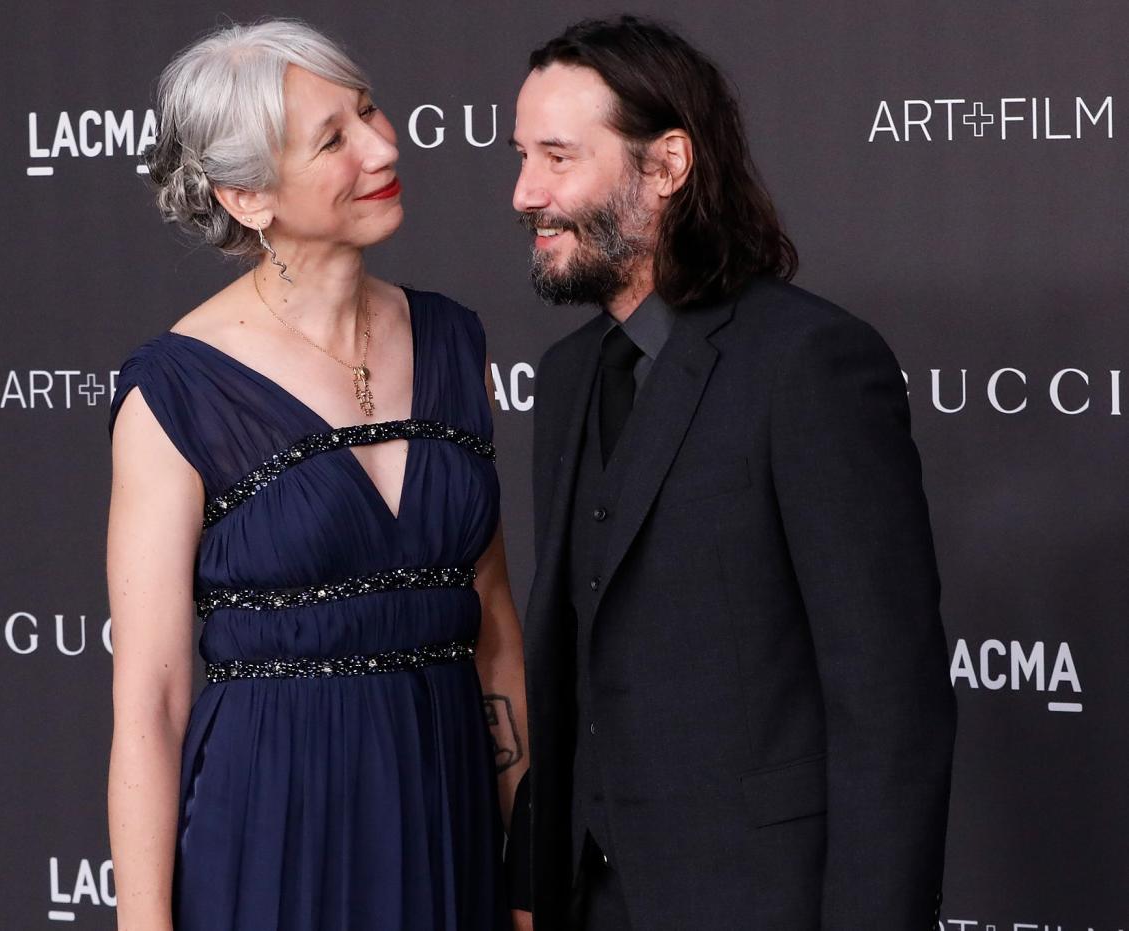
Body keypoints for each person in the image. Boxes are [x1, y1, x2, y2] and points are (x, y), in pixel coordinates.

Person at [507, 16, 956, 931]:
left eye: (557, 158)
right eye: (521, 157)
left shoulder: (811, 364)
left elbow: (888, 702)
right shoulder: (563, 381)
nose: (524, 192)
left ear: (666, 167)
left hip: (761, 898)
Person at [105, 20, 526, 931]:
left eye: (369, 110)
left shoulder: (456, 342)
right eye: (334, 138)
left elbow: (493, 626)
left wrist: (523, 869)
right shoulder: (177, 391)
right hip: (271, 831)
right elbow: (151, 700)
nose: (383, 145)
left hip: (447, 818)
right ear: (247, 196)